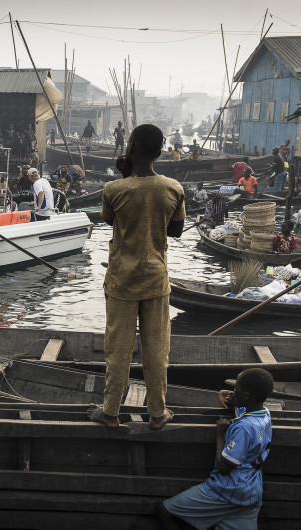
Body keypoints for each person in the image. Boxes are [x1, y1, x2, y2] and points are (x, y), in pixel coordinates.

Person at [87, 123, 185, 430]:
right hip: (156, 278)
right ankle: (157, 413)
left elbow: (108, 219)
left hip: (121, 281)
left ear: (130, 149)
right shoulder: (173, 188)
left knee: (118, 350)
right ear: (159, 152)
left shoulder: (113, 190)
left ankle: (110, 411)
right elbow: (176, 230)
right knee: (157, 350)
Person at [158, 368, 274, 530]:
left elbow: (224, 467)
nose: (233, 391)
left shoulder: (243, 428)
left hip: (228, 491)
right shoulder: (265, 415)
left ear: (246, 396)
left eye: (236, 388)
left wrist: (221, 435)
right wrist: (231, 399)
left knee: (166, 511)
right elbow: (246, 411)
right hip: (250, 492)